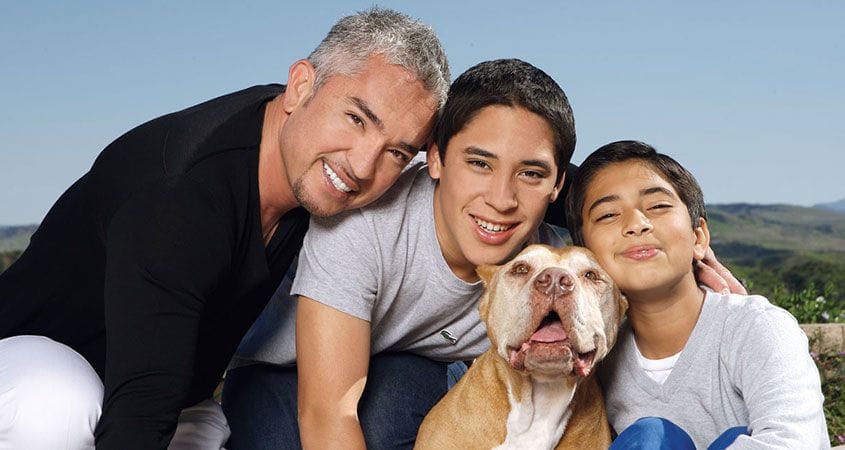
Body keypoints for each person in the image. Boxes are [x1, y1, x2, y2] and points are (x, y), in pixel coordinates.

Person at [0, 8, 449, 450]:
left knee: (208, 432)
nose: (362, 165)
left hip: (166, 393)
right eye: (356, 119)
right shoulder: (182, 196)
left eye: (396, 152)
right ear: (300, 86)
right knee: (58, 406)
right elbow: (139, 413)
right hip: (30, 366)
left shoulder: (298, 154)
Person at [223, 58, 575, 449]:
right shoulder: (362, 225)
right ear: (436, 158)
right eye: (479, 163)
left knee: (394, 408)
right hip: (282, 371)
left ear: (558, 183)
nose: (501, 200)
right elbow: (328, 413)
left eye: (531, 174)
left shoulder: (557, 270)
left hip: (412, 370)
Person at [564, 140, 829, 448]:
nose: (636, 224)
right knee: (649, 436)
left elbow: (793, 441)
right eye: (608, 215)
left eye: (658, 206)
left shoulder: (758, 329)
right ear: (585, 254)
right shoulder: (598, 359)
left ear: (699, 237)